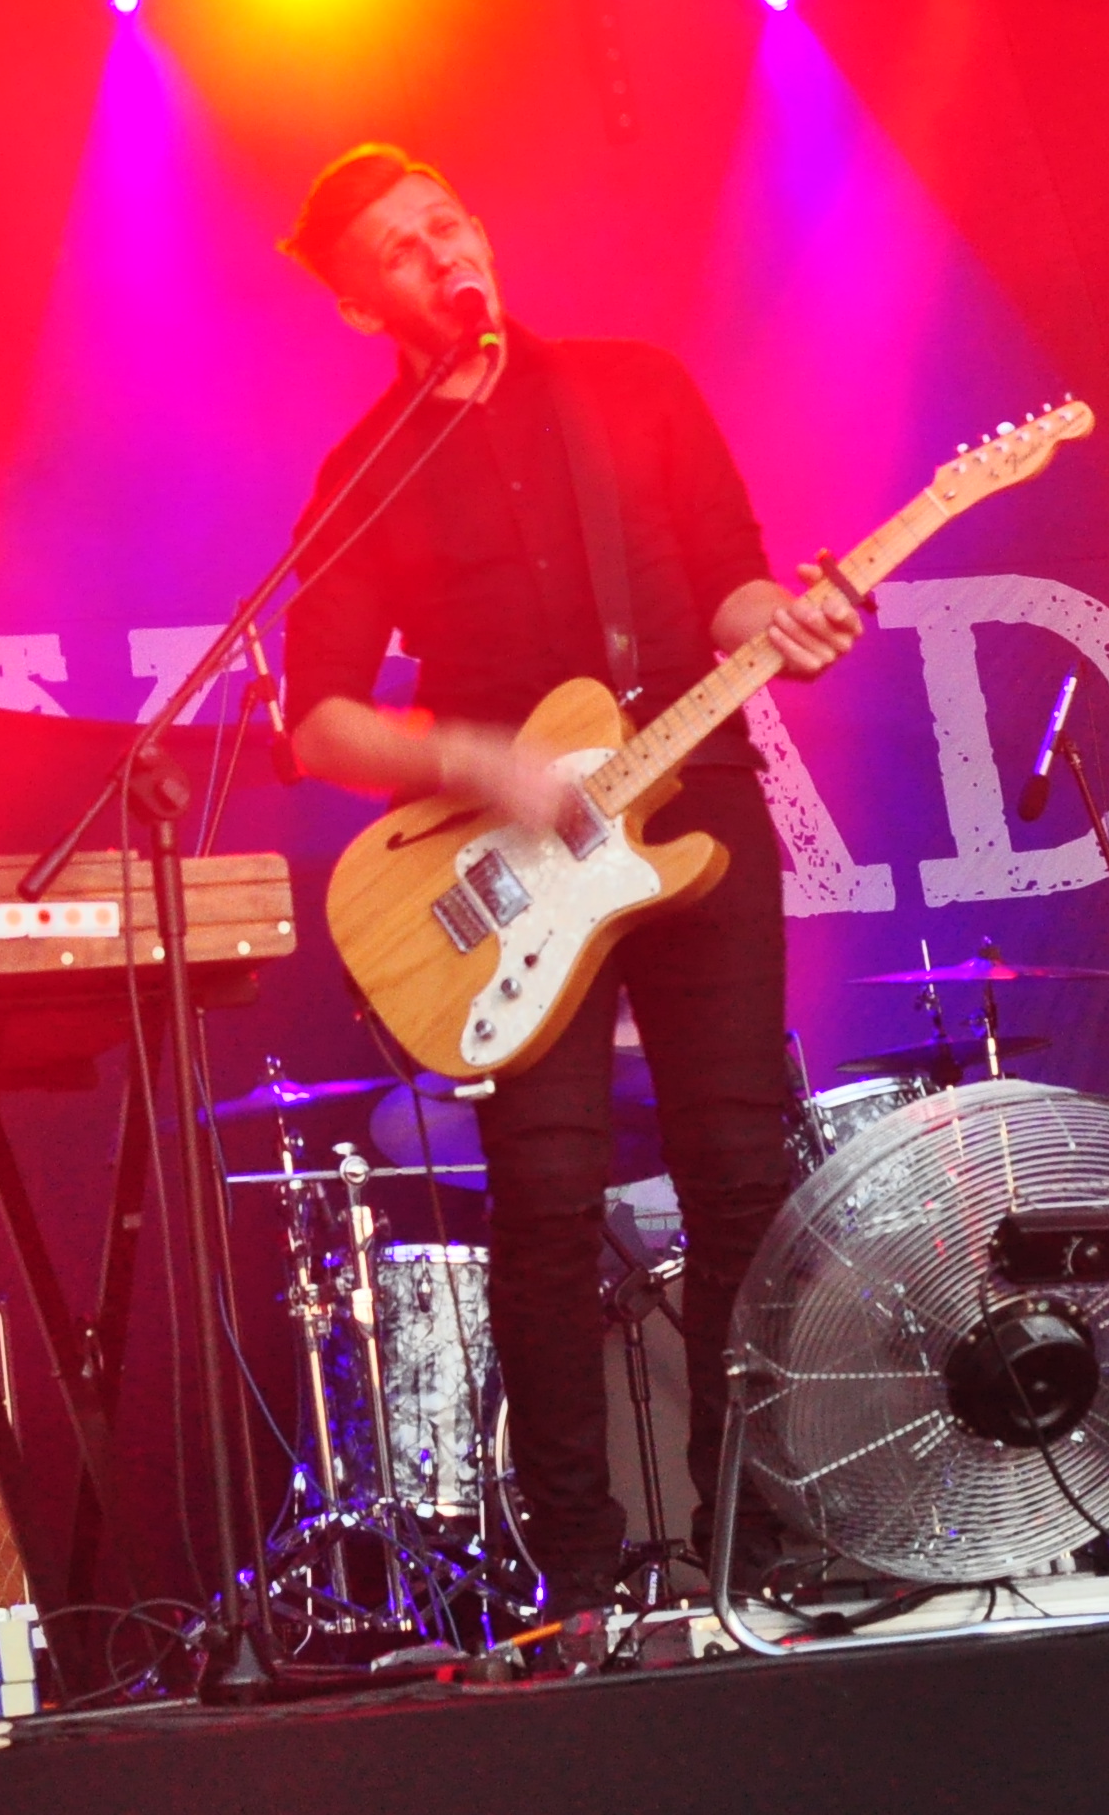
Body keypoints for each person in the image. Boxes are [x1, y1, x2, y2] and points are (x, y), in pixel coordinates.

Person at [273, 144, 863, 1639]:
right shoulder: (365, 471)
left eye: (447, 221)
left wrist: (789, 620)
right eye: (400, 251)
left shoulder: (631, 387)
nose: (442, 254)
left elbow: (729, 578)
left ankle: (750, 1541)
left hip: (694, 799)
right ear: (358, 306)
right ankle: (580, 1581)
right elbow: (318, 720)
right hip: (517, 863)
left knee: (742, 1177)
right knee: (543, 1207)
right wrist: (481, 763)